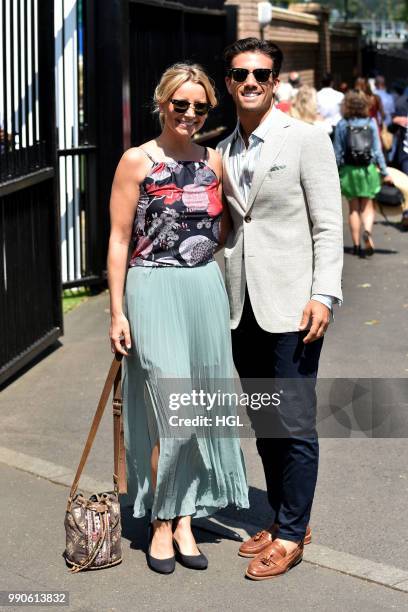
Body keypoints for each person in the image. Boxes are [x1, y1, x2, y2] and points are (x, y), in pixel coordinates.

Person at [107, 62, 249, 575]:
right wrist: (117, 311)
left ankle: (186, 515)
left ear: (210, 109)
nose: (189, 113)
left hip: (203, 290)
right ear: (162, 102)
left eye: (200, 106)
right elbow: (120, 240)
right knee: (171, 413)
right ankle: (161, 521)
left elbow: (230, 225)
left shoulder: (214, 161)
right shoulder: (137, 161)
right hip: (152, 287)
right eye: (180, 103)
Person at [218, 37, 343, 580]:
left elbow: (327, 224)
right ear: (229, 82)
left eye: (261, 74)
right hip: (240, 304)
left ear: (275, 82)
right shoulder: (221, 148)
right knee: (265, 417)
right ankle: (283, 514)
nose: (251, 82)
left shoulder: (307, 139)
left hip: (294, 305)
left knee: (293, 420)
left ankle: (292, 534)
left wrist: (324, 293)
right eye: (241, 73)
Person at [334, 89, 393, 256]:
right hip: (367, 170)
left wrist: (335, 171)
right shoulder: (371, 122)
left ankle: (356, 246)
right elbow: (377, 150)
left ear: (346, 106)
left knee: (353, 208)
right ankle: (367, 231)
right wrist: (384, 171)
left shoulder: (342, 124)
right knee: (367, 206)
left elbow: (337, 152)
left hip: (349, 171)